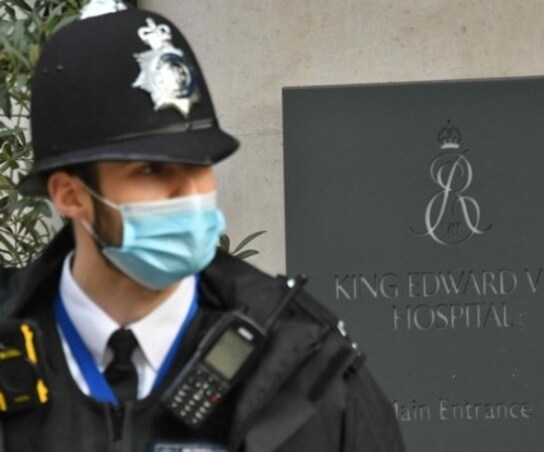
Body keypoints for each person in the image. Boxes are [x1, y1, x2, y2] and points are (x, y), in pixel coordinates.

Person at [0, 2, 405, 451]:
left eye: (201, 165)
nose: (190, 194)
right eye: (153, 171)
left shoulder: (306, 376)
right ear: (70, 195)